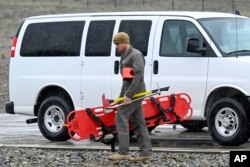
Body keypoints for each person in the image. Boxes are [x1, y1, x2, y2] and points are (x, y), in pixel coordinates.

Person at [108, 32, 153, 161]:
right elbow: (126, 80)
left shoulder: (136, 55)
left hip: (136, 93)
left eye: (117, 44)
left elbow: (138, 77)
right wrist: (121, 97)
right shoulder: (124, 55)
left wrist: (128, 95)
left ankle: (123, 152)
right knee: (139, 123)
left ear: (124, 42)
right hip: (130, 92)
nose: (116, 46)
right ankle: (146, 153)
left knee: (120, 115)